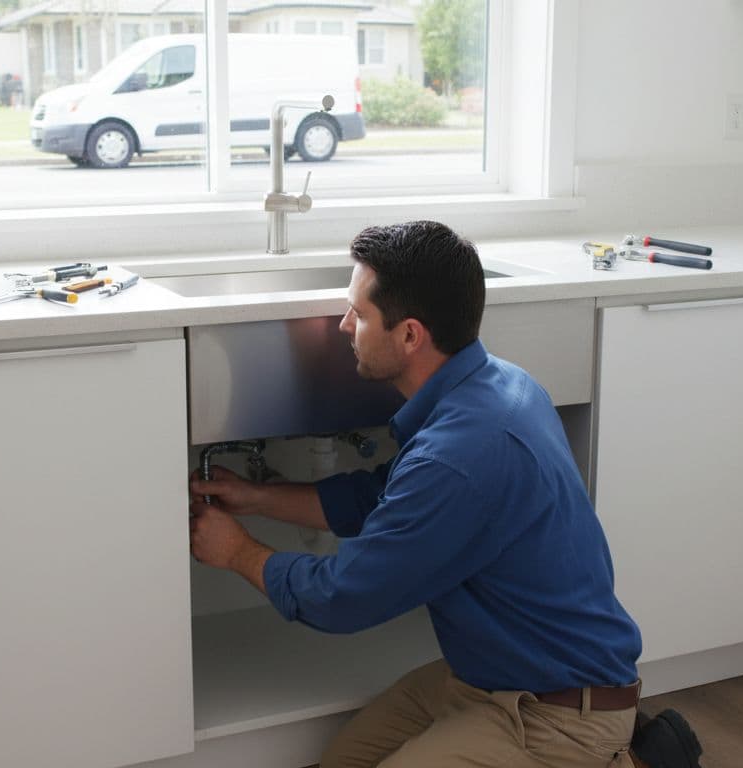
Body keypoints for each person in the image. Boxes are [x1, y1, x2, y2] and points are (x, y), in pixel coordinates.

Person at [188, 220, 702, 768]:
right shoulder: (498, 385)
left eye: (359, 315)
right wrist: (255, 497)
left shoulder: (460, 455)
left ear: (410, 335)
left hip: (558, 711)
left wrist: (237, 552)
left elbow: (344, 598)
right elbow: (376, 499)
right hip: (486, 677)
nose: (342, 326)